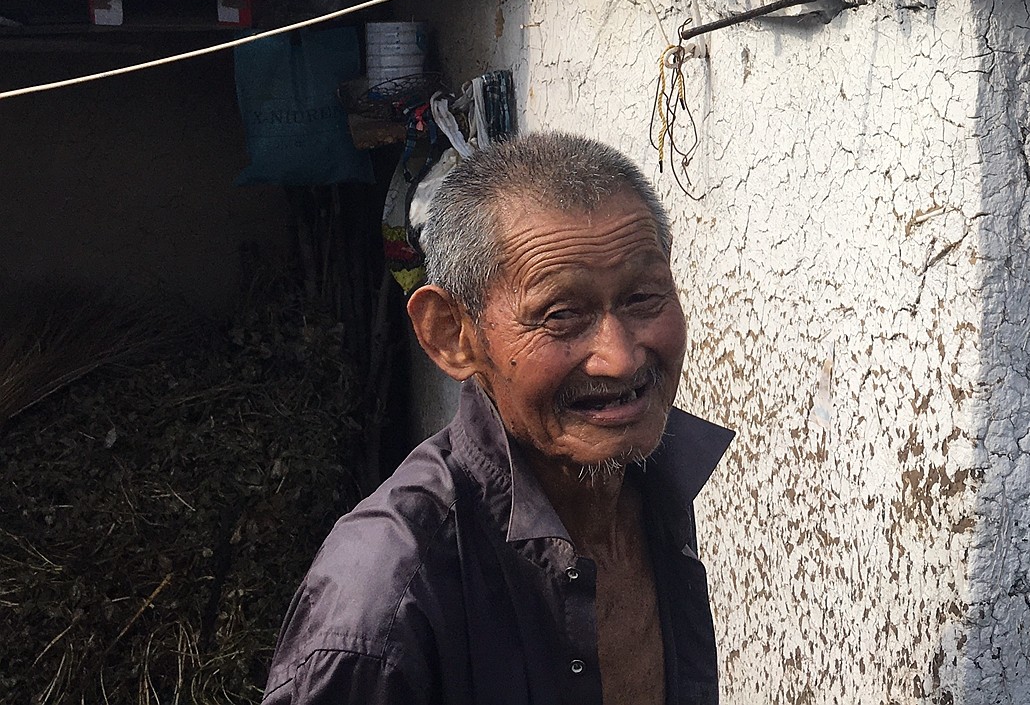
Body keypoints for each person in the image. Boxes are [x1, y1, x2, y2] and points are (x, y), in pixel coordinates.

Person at [265, 132, 733, 705]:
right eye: (562, 314)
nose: (621, 357)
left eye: (644, 297)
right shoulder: (386, 600)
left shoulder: (650, 491)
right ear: (452, 336)